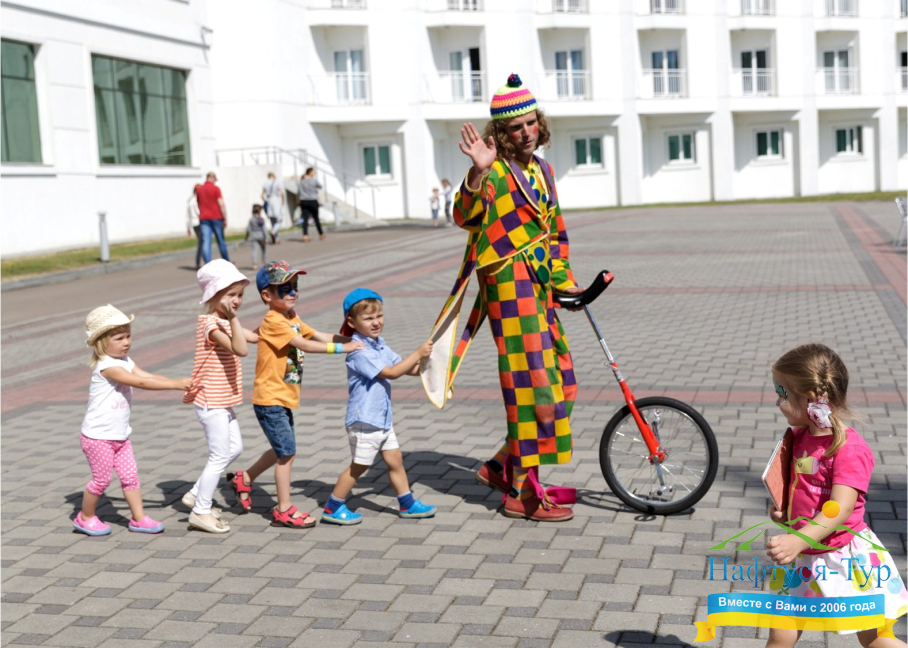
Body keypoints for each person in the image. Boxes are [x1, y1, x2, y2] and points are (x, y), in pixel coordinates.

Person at [422, 74, 584, 522]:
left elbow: (555, 232)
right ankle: (521, 494)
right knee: (532, 386)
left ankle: (500, 466)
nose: (526, 132)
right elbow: (463, 215)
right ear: (501, 133)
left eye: (531, 123)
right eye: (516, 128)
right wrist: (477, 172)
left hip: (540, 286)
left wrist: (565, 281)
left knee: (563, 380)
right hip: (509, 287)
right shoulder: (493, 169)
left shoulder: (544, 171)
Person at [765, 344, 907, 648]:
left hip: (844, 557)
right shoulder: (799, 438)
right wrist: (785, 512)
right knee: (780, 632)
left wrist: (797, 539)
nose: (777, 401)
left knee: (873, 639)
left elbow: (839, 509)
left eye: (782, 393)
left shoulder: (848, 449)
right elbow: (803, 488)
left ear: (811, 398)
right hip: (806, 555)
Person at [226, 261, 363, 528]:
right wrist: (344, 350)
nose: (292, 292)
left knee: (282, 449)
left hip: (282, 396)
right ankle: (283, 509)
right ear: (267, 295)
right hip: (270, 398)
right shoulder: (273, 320)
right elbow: (304, 345)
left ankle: (244, 478)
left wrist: (354, 340)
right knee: (287, 454)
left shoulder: (291, 318)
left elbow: (318, 335)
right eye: (285, 288)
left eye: (295, 286)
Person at [321, 289, 436, 525]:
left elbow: (407, 368)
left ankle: (407, 504)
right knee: (359, 466)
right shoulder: (359, 351)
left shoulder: (379, 345)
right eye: (368, 318)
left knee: (395, 461)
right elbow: (391, 373)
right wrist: (418, 352)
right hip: (365, 420)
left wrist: (434, 368)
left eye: (379, 316)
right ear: (351, 322)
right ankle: (333, 507)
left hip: (381, 419)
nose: (376, 322)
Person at [74, 305, 192, 536]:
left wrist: (177, 381)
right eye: (119, 338)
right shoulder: (108, 366)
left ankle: (139, 519)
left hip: (120, 436)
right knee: (101, 480)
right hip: (98, 437)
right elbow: (141, 383)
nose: (126, 342)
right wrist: (174, 385)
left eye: (128, 336)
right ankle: (85, 516)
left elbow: (147, 376)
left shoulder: (125, 360)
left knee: (130, 478)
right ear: (101, 343)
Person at [181, 260, 259, 534]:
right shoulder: (211, 325)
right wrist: (234, 319)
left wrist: (279, 322)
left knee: (234, 449)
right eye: (230, 295)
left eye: (240, 295)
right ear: (213, 296)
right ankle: (201, 511)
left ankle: (195, 493)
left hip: (221, 401)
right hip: (210, 401)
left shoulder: (224, 321)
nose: (236, 300)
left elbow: (253, 338)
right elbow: (241, 348)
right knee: (219, 455)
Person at [196, 172, 230, 264]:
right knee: (221, 241)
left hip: (204, 218)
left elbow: (198, 203)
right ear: (213, 178)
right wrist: (225, 218)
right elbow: (221, 204)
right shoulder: (216, 189)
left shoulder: (200, 190)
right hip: (216, 217)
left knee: (206, 242)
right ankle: (227, 262)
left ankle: (208, 264)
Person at [297, 167, 326, 243]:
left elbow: (298, 192)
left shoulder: (301, 182)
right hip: (313, 200)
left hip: (304, 201)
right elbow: (320, 186)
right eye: (313, 172)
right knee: (316, 218)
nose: (314, 173)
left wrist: (298, 201)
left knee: (305, 219)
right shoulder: (314, 181)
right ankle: (321, 233)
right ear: (310, 172)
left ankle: (305, 235)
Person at [262, 172, 284, 245]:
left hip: (269, 201)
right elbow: (281, 193)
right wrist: (282, 202)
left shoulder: (265, 184)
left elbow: (262, 195)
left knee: (272, 221)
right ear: (273, 176)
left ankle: (276, 238)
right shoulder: (277, 182)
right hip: (276, 201)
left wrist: (266, 201)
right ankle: (273, 232)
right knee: (279, 220)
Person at [245, 205, 268, 270]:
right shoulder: (261, 219)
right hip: (261, 236)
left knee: (254, 250)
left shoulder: (251, 219)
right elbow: (264, 229)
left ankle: (255, 264)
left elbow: (248, 229)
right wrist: (266, 237)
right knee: (264, 248)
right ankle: (264, 261)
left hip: (254, 236)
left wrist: (246, 236)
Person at [187, 184, 203, 269]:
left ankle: (199, 262)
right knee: (202, 243)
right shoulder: (195, 200)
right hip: (198, 222)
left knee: (201, 242)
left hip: (193, 224)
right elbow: (198, 212)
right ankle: (199, 262)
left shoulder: (190, 200)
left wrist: (188, 228)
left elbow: (187, 216)